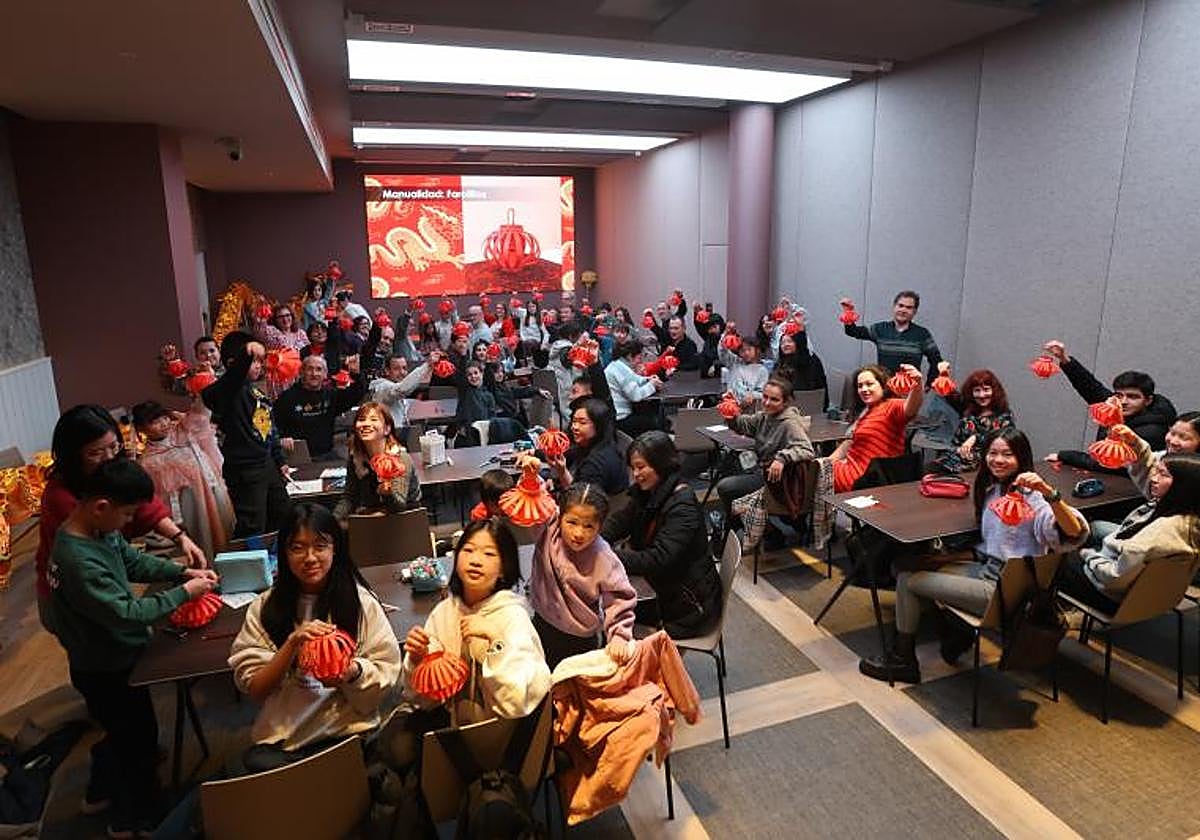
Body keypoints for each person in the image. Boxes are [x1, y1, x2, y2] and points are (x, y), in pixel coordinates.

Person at [46, 459, 218, 835]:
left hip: (115, 656)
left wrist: (180, 571)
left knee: (124, 735)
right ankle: (136, 819)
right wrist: (184, 592)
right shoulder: (78, 560)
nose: (129, 522)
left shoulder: (96, 529)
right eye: (127, 514)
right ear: (101, 506)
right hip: (104, 666)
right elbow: (129, 614)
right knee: (136, 744)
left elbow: (132, 560)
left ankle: (100, 793)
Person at [859, 429, 1088, 684]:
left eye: (1007, 454)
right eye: (993, 453)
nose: (998, 460)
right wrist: (938, 561)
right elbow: (987, 549)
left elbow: (1074, 532)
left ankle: (904, 661)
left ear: (1022, 458)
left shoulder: (1033, 499)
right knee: (907, 566)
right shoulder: (994, 491)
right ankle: (956, 631)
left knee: (908, 581)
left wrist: (1049, 493)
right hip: (989, 572)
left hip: (1005, 592)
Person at [229, 503, 401, 771]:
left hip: (348, 732)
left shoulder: (361, 604)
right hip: (285, 740)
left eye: (320, 546)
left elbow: (386, 673)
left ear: (335, 549)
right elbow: (256, 688)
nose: (310, 558)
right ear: (284, 553)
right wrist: (292, 644)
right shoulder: (264, 608)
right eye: (297, 548)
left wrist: (351, 671)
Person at [36, 405, 207, 632]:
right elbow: (126, 614)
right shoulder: (75, 533)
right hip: (74, 609)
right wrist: (183, 592)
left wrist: (180, 543)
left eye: (114, 446)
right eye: (95, 452)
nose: (109, 458)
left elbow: (131, 555)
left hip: (102, 602)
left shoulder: (104, 526)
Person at [402, 519, 551, 722]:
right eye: (468, 550)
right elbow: (423, 700)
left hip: (502, 732)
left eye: (489, 554)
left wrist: (495, 640)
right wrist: (418, 659)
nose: (476, 561)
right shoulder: (444, 612)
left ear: (504, 568)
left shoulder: (513, 617)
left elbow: (516, 704)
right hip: (453, 726)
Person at [602, 432, 721, 637]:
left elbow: (658, 559)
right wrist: (595, 539)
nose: (635, 474)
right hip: (666, 588)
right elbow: (621, 521)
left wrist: (605, 555)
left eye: (641, 467)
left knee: (607, 611)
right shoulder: (650, 491)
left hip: (688, 606)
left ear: (661, 464)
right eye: (633, 468)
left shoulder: (683, 506)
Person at [1056, 443, 1200, 613]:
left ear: (1183, 486)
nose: (1154, 478)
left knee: (1054, 560)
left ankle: (1049, 613)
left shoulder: (1158, 533)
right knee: (1093, 529)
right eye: (1156, 471)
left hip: (1116, 598)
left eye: (1163, 475)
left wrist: (1089, 555)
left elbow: (1113, 578)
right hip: (1157, 595)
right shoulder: (1188, 514)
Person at [529, 484, 636, 669]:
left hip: (578, 636)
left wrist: (619, 635)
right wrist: (531, 481)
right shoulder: (549, 529)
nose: (578, 533)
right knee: (540, 678)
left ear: (600, 527)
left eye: (589, 526)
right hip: (542, 620)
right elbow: (532, 504)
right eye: (571, 522)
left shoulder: (604, 557)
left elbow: (620, 598)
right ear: (560, 517)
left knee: (575, 683)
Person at [203, 331, 291, 538]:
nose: (259, 366)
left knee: (283, 516)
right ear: (234, 363)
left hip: (267, 464)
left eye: (260, 361)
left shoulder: (255, 391)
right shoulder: (226, 390)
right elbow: (220, 388)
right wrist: (246, 355)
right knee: (252, 526)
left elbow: (270, 428)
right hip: (245, 469)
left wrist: (279, 460)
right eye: (254, 361)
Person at [1041, 339, 1177, 469]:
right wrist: (1064, 358)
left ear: (1148, 400)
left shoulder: (1152, 431)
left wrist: (1065, 456)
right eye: (1119, 395)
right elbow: (1090, 387)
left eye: (1132, 397)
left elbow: (1111, 464)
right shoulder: (1116, 407)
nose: (1123, 402)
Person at [132, 400, 234, 558]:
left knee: (225, 532)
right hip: (185, 509)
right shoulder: (146, 462)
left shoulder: (184, 431)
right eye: (154, 422)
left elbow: (201, 412)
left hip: (210, 493)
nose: (163, 424)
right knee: (201, 541)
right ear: (141, 429)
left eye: (164, 417)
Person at [717, 377, 816, 523]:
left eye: (774, 399)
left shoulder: (789, 424)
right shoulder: (764, 416)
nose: (767, 402)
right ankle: (746, 520)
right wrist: (732, 411)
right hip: (761, 468)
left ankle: (750, 526)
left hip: (775, 479)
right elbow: (743, 425)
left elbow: (807, 450)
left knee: (725, 487)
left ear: (786, 402)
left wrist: (781, 458)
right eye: (765, 397)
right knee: (729, 463)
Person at [828, 363, 925, 492]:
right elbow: (849, 443)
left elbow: (911, 408)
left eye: (869, 384)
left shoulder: (891, 406)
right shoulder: (867, 410)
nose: (864, 389)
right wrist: (827, 462)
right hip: (853, 471)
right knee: (811, 472)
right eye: (860, 386)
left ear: (883, 385)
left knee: (809, 478)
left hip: (867, 479)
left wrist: (917, 384)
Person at [332, 402, 421, 525]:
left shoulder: (399, 458)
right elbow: (349, 497)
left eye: (374, 419)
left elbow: (399, 507)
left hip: (404, 523)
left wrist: (387, 493)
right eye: (361, 420)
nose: (366, 424)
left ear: (387, 429)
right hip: (372, 519)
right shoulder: (356, 458)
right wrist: (332, 521)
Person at [273, 354, 367, 460]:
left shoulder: (331, 396)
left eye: (319, 369)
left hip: (326, 455)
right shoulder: (286, 398)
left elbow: (357, 393)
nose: (314, 374)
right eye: (310, 369)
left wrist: (356, 374)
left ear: (325, 374)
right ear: (301, 372)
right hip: (297, 456)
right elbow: (274, 425)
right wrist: (282, 438)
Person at [929, 368, 1015, 474]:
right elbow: (947, 391)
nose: (982, 395)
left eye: (986, 389)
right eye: (977, 390)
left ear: (994, 391)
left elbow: (1005, 440)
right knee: (929, 470)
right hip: (954, 459)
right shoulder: (967, 407)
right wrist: (943, 374)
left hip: (984, 466)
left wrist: (976, 438)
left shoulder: (1004, 415)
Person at [841, 290, 943, 376]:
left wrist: (930, 381)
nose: (903, 310)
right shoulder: (880, 329)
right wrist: (848, 312)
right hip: (884, 387)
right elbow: (853, 332)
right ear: (894, 307)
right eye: (901, 305)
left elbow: (936, 360)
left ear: (914, 311)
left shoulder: (922, 334)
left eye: (909, 307)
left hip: (910, 389)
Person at [547, 399, 629, 496]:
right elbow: (565, 454)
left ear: (598, 426)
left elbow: (580, 500)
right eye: (574, 421)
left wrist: (562, 472)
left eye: (582, 423)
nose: (575, 427)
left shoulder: (595, 464)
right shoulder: (592, 444)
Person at [605, 340, 665, 439]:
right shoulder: (621, 369)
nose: (640, 361)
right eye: (639, 357)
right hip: (620, 418)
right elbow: (635, 395)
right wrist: (652, 385)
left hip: (616, 415)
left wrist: (648, 380)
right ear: (630, 356)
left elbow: (635, 379)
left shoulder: (617, 365)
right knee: (653, 421)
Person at [773, 329, 828, 407]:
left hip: (807, 403)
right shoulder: (781, 362)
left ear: (798, 342)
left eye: (790, 341)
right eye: (782, 343)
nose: (786, 345)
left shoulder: (810, 361)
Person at [718, 338, 769, 407]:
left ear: (756, 350)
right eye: (742, 350)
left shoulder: (762, 370)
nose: (746, 353)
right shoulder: (734, 362)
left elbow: (762, 393)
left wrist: (753, 395)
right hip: (730, 405)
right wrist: (725, 337)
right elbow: (722, 352)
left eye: (749, 349)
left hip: (749, 407)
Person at [368, 353, 434, 405]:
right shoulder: (382, 387)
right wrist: (427, 365)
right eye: (396, 368)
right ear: (387, 371)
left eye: (404, 368)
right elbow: (401, 389)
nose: (402, 372)